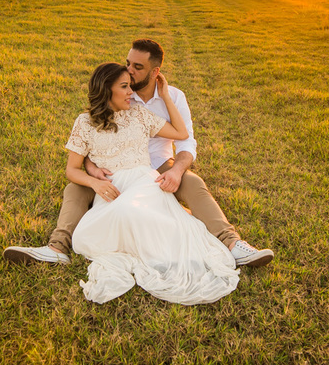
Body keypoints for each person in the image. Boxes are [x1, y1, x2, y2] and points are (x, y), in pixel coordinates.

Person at [4, 38, 274, 268]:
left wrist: (178, 171)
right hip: (109, 171)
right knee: (74, 190)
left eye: (138, 67)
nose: (129, 70)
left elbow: (186, 141)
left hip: (156, 166)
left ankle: (233, 244)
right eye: (128, 63)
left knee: (193, 182)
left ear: (155, 72)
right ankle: (57, 247)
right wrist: (91, 168)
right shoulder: (116, 89)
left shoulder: (173, 98)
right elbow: (94, 134)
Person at [52, 62, 239, 304]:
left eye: (130, 86)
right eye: (124, 87)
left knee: (130, 210)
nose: (131, 92)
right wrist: (95, 183)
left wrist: (165, 97)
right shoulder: (84, 122)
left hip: (143, 182)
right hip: (111, 187)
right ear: (106, 89)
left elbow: (182, 134)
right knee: (86, 237)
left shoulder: (139, 115)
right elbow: (71, 169)